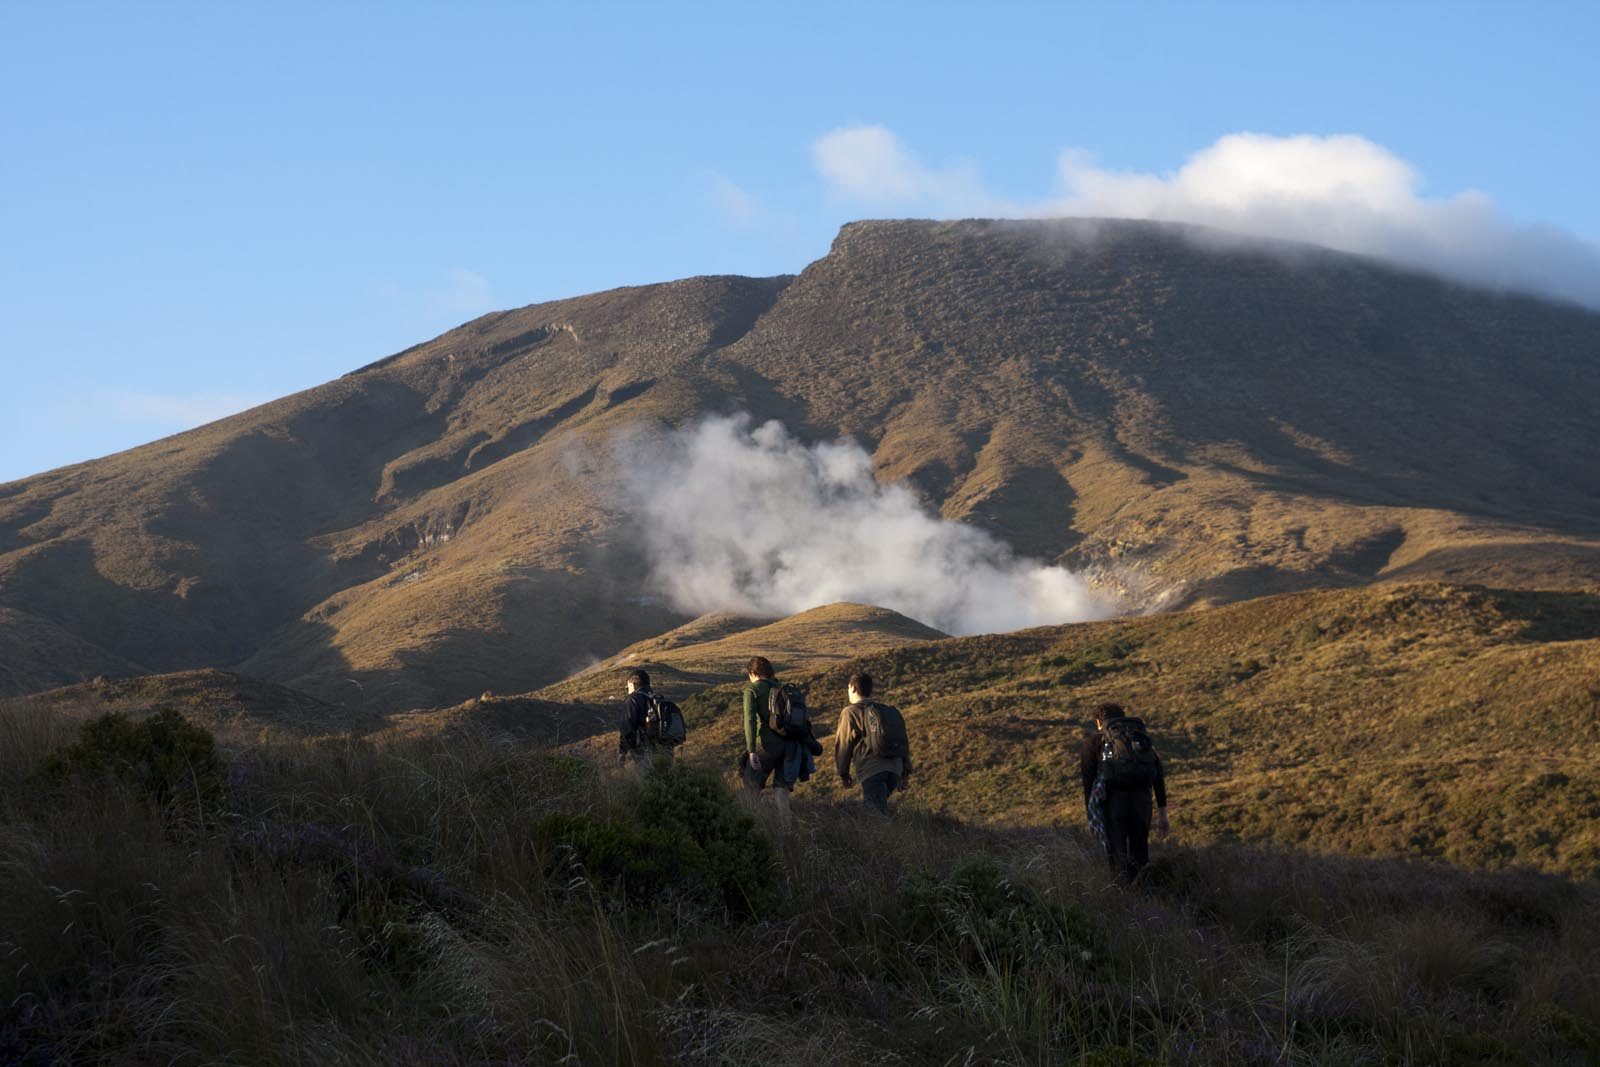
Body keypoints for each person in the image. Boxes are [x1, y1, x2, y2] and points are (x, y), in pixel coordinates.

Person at [1079, 702, 1168, 883]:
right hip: (1142, 801)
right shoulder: (1139, 739)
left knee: (1117, 854)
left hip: (1113, 802)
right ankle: (1145, 896)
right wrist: (1163, 814)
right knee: (1141, 853)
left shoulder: (1093, 742)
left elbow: (1088, 783)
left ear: (1098, 722)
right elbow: (1158, 776)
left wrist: (1091, 817)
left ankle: (1122, 898)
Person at [740, 656, 817, 821]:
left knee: (750, 788)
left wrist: (751, 750)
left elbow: (750, 720)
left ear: (752, 673)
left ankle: (752, 829)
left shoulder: (752, 689)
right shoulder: (783, 688)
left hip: (767, 746)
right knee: (781, 793)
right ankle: (787, 832)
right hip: (791, 745)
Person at [833, 671, 913, 814]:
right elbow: (903, 741)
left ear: (852, 688)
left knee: (875, 817)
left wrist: (843, 773)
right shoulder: (883, 710)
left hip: (872, 770)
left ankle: (889, 836)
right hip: (895, 769)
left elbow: (843, 745)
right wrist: (905, 772)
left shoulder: (850, 712)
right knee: (880, 810)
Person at [618, 669, 674, 770]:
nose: (627, 690)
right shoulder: (659, 699)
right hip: (666, 751)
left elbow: (627, 727)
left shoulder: (633, 698)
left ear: (633, 685)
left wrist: (622, 752)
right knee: (667, 782)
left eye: (627, 687)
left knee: (648, 783)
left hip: (646, 753)